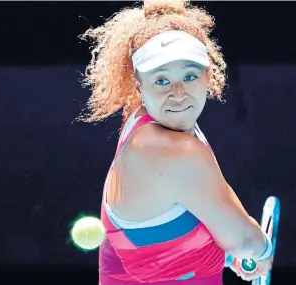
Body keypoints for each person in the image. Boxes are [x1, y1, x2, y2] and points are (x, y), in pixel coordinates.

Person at [79, 1, 273, 284]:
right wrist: (263, 253)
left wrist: (225, 255)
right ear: (138, 86)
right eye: (162, 80)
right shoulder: (173, 152)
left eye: (189, 76)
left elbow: (172, 220)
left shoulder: (143, 123)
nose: (178, 93)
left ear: (208, 76)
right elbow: (243, 239)